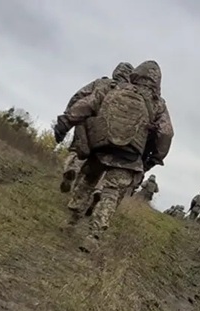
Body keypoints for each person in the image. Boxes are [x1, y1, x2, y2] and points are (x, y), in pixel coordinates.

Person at [53, 60, 174, 251]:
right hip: (130, 156)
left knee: (86, 182)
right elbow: (166, 133)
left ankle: (71, 221)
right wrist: (154, 159)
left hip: (101, 146)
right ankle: (93, 237)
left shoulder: (114, 88)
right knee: (111, 193)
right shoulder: (157, 104)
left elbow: (88, 103)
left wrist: (66, 122)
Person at [59, 62, 134, 195]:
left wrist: (70, 114)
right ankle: (88, 192)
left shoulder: (101, 83)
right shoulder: (128, 93)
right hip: (107, 132)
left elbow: (79, 96)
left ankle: (72, 168)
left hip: (86, 124)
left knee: (77, 151)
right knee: (96, 162)